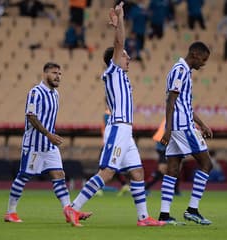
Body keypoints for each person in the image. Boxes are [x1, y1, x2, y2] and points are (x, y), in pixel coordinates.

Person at [63, 2, 165, 227]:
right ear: (116, 59)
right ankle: (73, 208)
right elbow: (120, 42)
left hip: (126, 131)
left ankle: (143, 218)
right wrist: (120, 20)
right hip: (118, 127)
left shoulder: (122, 77)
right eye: (125, 55)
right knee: (108, 171)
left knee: (137, 172)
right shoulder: (113, 71)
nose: (128, 58)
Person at [4, 62, 92, 223]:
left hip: (49, 145)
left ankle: (69, 211)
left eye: (59, 74)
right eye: (54, 73)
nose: (58, 76)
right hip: (33, 145)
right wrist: (48, 134)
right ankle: (10, 212)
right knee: (23, 176)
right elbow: (31, 116)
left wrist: (50, 137)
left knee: (59, 175)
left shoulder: (55, 95)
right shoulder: (35, 93)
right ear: (45, 74)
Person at [158, 41, 213, 225]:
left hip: (180, 125)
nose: (203, 64)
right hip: (182, 126)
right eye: (203, 60)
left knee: (173, 168)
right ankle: (192, 209)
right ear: (195, 54)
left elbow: (184, 104)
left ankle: (164, 215)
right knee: (206, 163)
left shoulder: (184, 71)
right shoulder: (180, 70)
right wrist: (167, 128)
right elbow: (170, 101)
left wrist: (202, 124)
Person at [145, 119, 181, 196]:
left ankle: (176, 190)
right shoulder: (172, 116)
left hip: (168, 144)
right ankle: (145, 188)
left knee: (174, 168)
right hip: (163, 145)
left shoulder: (173, 115)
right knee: (163, 169)